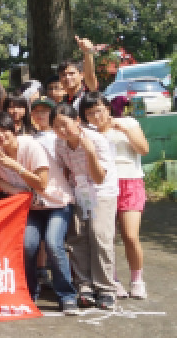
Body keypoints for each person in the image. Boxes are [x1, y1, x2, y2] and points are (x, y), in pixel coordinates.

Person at [80, 92, 149, 299]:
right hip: (102, 187)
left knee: (130, 235)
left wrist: (125, 130)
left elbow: (144, 150)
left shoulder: (128, 122)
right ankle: (113, 280)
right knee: (106, 237)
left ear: (108, 109)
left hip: (130, 183)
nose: (96, 116)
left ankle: (137, 280)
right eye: (90, 113)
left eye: (99, 110)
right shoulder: (87, 133)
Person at [51, 103, 118, 310]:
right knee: (77, 237)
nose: (61, 130)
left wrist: (90, 153)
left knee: (100, 235)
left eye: (65, 124)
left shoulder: (96, 140)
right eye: (56, 126)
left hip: (101, 191)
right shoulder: (59, 143)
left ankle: (106, 289)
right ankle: (85, 286)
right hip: (78, 192)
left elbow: (99, 178)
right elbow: (64, 170)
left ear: (77, 121)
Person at [23, 98, 81, 314]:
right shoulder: (27, 139)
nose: (40, 115)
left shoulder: (61, 139)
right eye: (36, 111)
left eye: (45, 111)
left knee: (53, 244)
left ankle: (67, 295)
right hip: (35, 204)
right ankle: (29, 293)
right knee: (28, 245)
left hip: (58, 202)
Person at [57, 36, 99, 108]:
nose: (67, 77)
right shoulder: (63, 102)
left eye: (71, 73)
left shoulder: (89, 93)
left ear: (82, 75)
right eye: (63, 75)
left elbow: (90, 76)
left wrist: (88, 52)